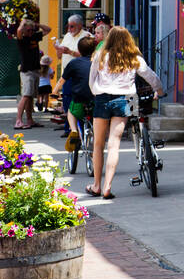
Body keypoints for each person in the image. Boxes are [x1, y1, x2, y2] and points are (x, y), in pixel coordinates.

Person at [86, 27, 164, 200]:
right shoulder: (133, 58)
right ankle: (108, 187)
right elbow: (151, 76)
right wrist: (159, 90)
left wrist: (97, 92)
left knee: (98, 144)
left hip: (102, 98)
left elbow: (91, 80)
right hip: (126, 98)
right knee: (115, 144)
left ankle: (96, 185)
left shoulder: (100, 55)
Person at [62, 34, 98, 152]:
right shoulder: (99, 62)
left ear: (79, 50)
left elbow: (62, 80)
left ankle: (73, 130)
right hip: (96, 98)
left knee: (71, 112)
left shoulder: (74, 63)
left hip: (80, 98)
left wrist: (54, 91)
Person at [15, 18, 52, 129]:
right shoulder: (22, 39)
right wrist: (23, 23)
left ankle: (30, 120)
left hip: (35, 70)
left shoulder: (35, 36)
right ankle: (18, 121)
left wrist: (37, 24)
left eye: (32, 30)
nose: (30, 32)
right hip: (27, 71)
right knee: (26, 95)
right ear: (24, 30)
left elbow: (48, 30)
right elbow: (19, 31)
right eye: (28, 30)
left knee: (30, 97)